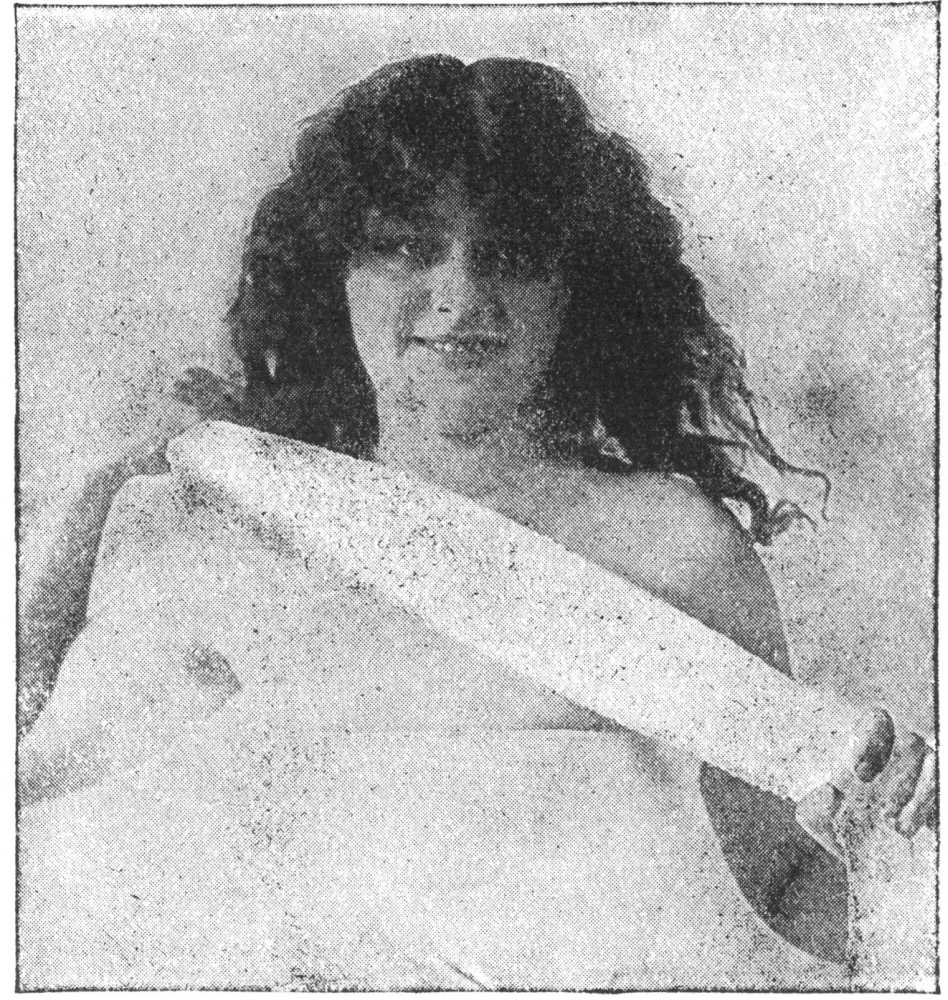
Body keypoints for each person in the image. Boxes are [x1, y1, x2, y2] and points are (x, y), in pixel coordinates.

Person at [19, 55, 934, 988]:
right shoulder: (230, 529)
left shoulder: (673, 546)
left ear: (577, 284)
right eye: (407, 247)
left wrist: (883, 843)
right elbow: (40, 796)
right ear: (333, 272)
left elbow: (783, 888)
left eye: (512, 254)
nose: (461, 296)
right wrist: (88, 504)